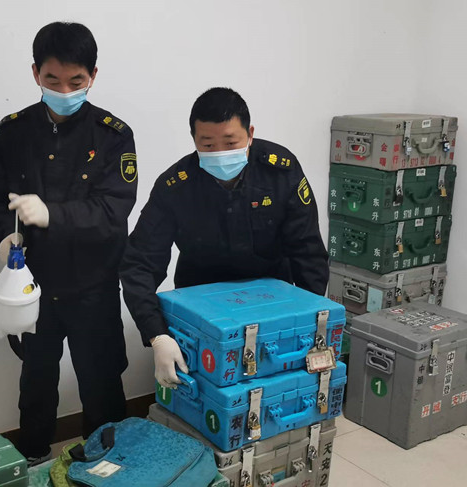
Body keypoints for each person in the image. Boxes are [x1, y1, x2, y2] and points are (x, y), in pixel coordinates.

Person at [0, 22, 137, 465]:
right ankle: (31, 457)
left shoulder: (113, 135)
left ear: (93, 76)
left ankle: (106, 464)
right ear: (35, 73)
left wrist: (53, 214)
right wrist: (3, 236)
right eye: (53, 80)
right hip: (34, 284)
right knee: (35, 381)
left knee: (101, 382)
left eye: (76, 81)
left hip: (93, 285)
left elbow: (114, 210)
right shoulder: (13, 132)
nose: (64, 90)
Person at [120, 87, 328, 390]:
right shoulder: (176, 186)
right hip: (202, 311)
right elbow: (140, 263)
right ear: (194, 140)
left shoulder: (279, 170)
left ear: (250, 134)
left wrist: (312, 320)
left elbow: (307, 250)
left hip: (272, 304)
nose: (220, 153)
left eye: (230, 143)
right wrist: (157, 334)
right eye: (208, 144)